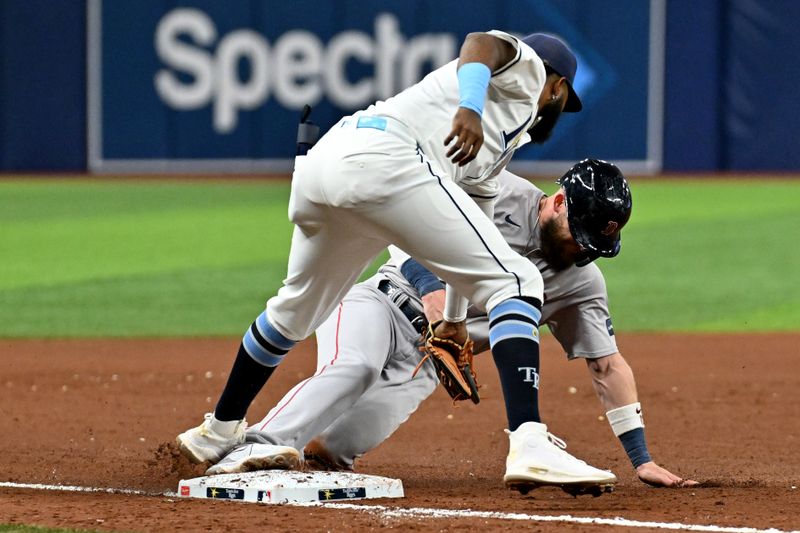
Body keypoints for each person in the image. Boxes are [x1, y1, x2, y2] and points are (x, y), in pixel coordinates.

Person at [177, 30, 620, 493]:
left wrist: (452, 322)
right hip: (386, 160)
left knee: (292, 310)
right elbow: (480, 44)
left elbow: (471, 247)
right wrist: (469, 106)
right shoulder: (529, 74)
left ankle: (221, 429)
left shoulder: (494, 153)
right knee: (520, 279)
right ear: (559, 86)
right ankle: (530, 442)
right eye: (563, 100)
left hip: (325, 165)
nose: (558, 110)